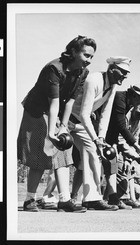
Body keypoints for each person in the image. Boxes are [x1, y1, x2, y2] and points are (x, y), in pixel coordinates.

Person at [17, 35, 96, 212]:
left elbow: (69, 102)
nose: (89, 61)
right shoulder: (54, 68)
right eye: (86, 55)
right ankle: (30, 200)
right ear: (74, 51)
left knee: (64, 151)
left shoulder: (83, 72)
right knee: (41, 153)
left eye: (92, 57)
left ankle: (64, 200)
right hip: (36, 110)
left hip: (56, 112)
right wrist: (51, 133)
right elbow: (53, 101)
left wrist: (63, 127)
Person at [68, 56, 132, 211]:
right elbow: (84, 113)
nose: (124, 75)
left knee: (92, 153)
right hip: (68, 118)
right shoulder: (94, 80)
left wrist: (101, 138)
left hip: (82, 123)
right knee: (58, 159)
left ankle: (91, 199)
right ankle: (46, 197)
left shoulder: (113, 86)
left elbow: (105, 114)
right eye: (122, 71)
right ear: (111, 69)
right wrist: (96, 139)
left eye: (126, 73)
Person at [102, 82, 140, 208]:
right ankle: (102, 197)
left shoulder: (133, 111)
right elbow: (122, 128)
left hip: (113, 140)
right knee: (100, 166)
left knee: (112, 167)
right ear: (135, 95)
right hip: (103, 135)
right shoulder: (120, 99)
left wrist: (134, 154)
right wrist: (137, 151)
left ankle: (113, 197)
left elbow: (128, 136)